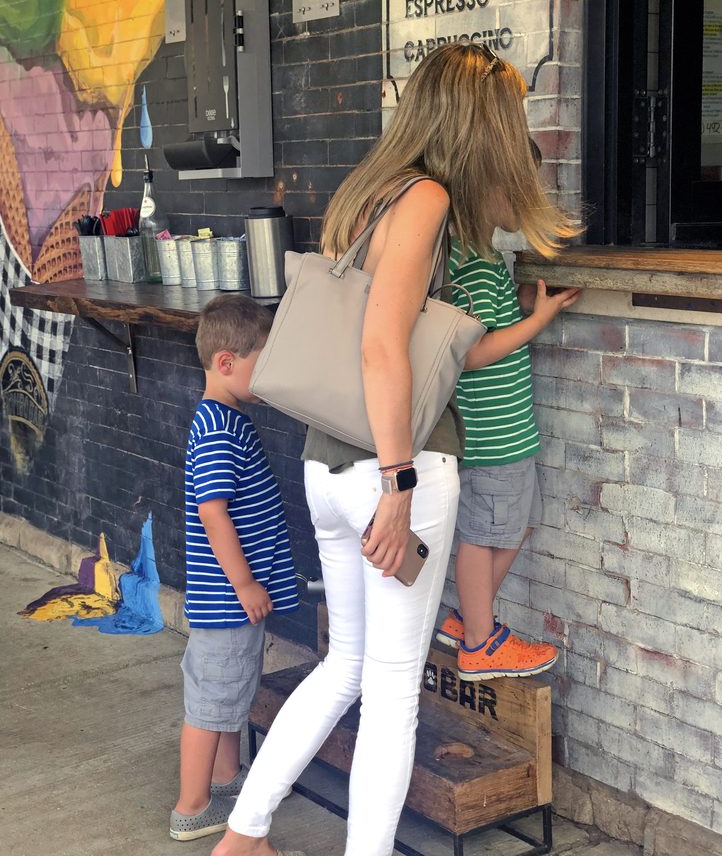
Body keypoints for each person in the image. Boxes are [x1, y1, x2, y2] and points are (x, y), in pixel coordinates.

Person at [213, 42, 580, 856]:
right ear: (480, 123)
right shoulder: (426, 202)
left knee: (345, 665)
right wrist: (400, 479)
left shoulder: (370, 190)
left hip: (326, 462)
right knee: (389, 694)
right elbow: (383, 346)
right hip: (394, 468)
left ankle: (244, 833)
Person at [437, 136, 581, 680]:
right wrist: (537, 324)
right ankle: (480, 641)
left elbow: (491, 320)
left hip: (508, 431)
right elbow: (470, 352)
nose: (531, 197)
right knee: (484, 534)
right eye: (522, 185)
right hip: (490, 434)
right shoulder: (466, 263)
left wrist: (530, 305)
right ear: (486, 188)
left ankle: (465, 622)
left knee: (511, 526)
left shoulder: (485, 255)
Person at [170, 295, 299, 842]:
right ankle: (192, 806)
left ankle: (225, 783)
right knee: (210, 703)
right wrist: (244, 581)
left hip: (230, 602)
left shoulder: (225, 418)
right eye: (259, 365)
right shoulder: (219, 428)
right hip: (227, 600)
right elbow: (213, 510)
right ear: (226, 363)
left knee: (228, 698)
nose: (265, 377)